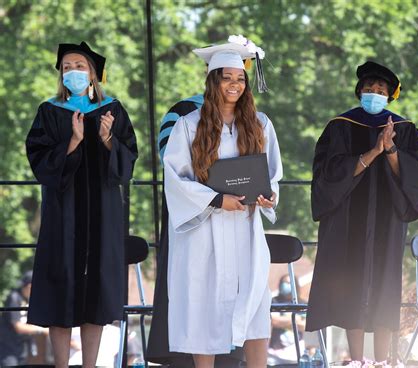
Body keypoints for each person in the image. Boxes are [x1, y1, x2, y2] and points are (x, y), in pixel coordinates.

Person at [162, 35, 282, 368]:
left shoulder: (260, 125)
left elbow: (273, 174)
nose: (234, 84)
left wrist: (268, 196)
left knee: (257, 304)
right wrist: (216, 199)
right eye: (227, 77)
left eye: (240, 78)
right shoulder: (189, 126)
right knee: (204, 306)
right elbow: (176, 179)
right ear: (214, 81)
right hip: (206, 230)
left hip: (245, 227)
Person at [306, 61, 418, 367]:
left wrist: (390, 150)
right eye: (369, 89)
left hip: (388, 221)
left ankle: (382, 362)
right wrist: (372, 151)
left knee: (384, 285)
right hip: (348, 221)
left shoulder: (404, 130)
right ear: (359, 91)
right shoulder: (340, 126)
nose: (374, 94)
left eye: (380, 91)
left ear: (390, 96)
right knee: (351, 285)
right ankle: (357, 360)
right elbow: (328, 174)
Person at [25, 41, 138, 368]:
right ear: (61, 76)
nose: (73, 71)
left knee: (95, 292)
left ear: (93, 73)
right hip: (64, 214)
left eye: (79, 66)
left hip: (103, 213)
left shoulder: (112, 109)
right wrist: (73, 142)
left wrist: (106, 140)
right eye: (66, 67)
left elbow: (128, 159)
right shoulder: (49, 111)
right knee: (61, 283)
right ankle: (62, 365)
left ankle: (90, 365)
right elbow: (38, 160)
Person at [0, 271, 48, 366]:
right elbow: (18, 326)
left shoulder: (29, 299)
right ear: (30, 286)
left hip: (22, 347)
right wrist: (42, 330)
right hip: (9, 349)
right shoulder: (14, 298)